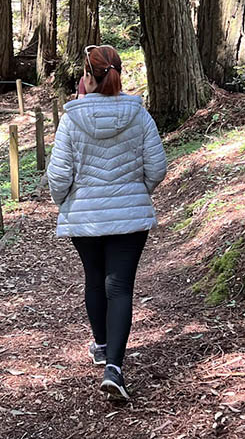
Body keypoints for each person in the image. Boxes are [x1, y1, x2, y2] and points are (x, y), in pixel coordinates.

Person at [45, 44, 168, 401]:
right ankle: (114, 367)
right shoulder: (139, 115)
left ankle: (100, 346)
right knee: (121, 288)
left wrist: (66, 202)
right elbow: (157, 168)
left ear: (87, 75)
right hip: (130, 219)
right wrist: (135, 191)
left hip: (85, 217)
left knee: (95, 279)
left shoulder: (72, 118)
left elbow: (58, 176)